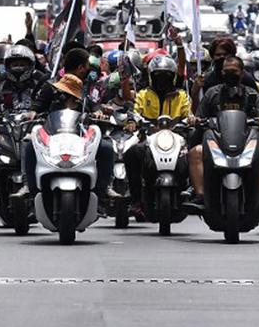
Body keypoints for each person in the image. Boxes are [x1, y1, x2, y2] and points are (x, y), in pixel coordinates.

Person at [21, 48, 115, 200]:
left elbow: (94, 106)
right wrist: (31, 114)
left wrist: (99, 112)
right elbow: (37, 107)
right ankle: (30, 190)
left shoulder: (84, 90)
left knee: (107, 147)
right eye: (86, 67)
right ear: (80, 68)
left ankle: (102, 191)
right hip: (52, 139)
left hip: (79, 138)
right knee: (30, 145)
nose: (87, 71)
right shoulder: (50, 87)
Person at [188, 56, 259, 200]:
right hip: (216, 142)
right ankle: (198, 193)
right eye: (226, 71)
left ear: (242, 72)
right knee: (195, 152)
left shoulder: (251, 94)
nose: (230, 74)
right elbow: (198, 116)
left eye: (234, 71)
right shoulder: (212, 93)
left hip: (245, 142)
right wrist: (194, 113)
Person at [122, 54, 191, 208]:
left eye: (166, 75)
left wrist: (190, 120)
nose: (162, 79)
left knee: (194, 153)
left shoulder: (181, 96)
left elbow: (188, 113)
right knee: (131, 154)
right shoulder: (143, 94)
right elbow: (135, 111)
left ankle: (192, 190)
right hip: (149, 138)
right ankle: (136, 198)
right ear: (151, 76)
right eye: (158, 75)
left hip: (177, 138)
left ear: (173, 77)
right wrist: (133, 121)